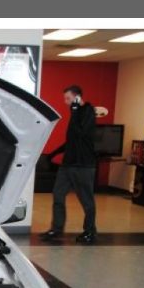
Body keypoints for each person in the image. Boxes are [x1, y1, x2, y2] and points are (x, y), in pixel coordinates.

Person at [40, 84, 98, 244]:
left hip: (84, 165)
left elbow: (81, 134)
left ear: (77, 97)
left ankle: (90, 232)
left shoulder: (88, 111)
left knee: (86, 200)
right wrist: (52, 154)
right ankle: (56, 229)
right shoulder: (75, 113)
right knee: (58, 195)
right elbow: (71, 141)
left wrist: (74, 111)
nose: (66, 102)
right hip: (67, 165)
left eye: (68, 98)